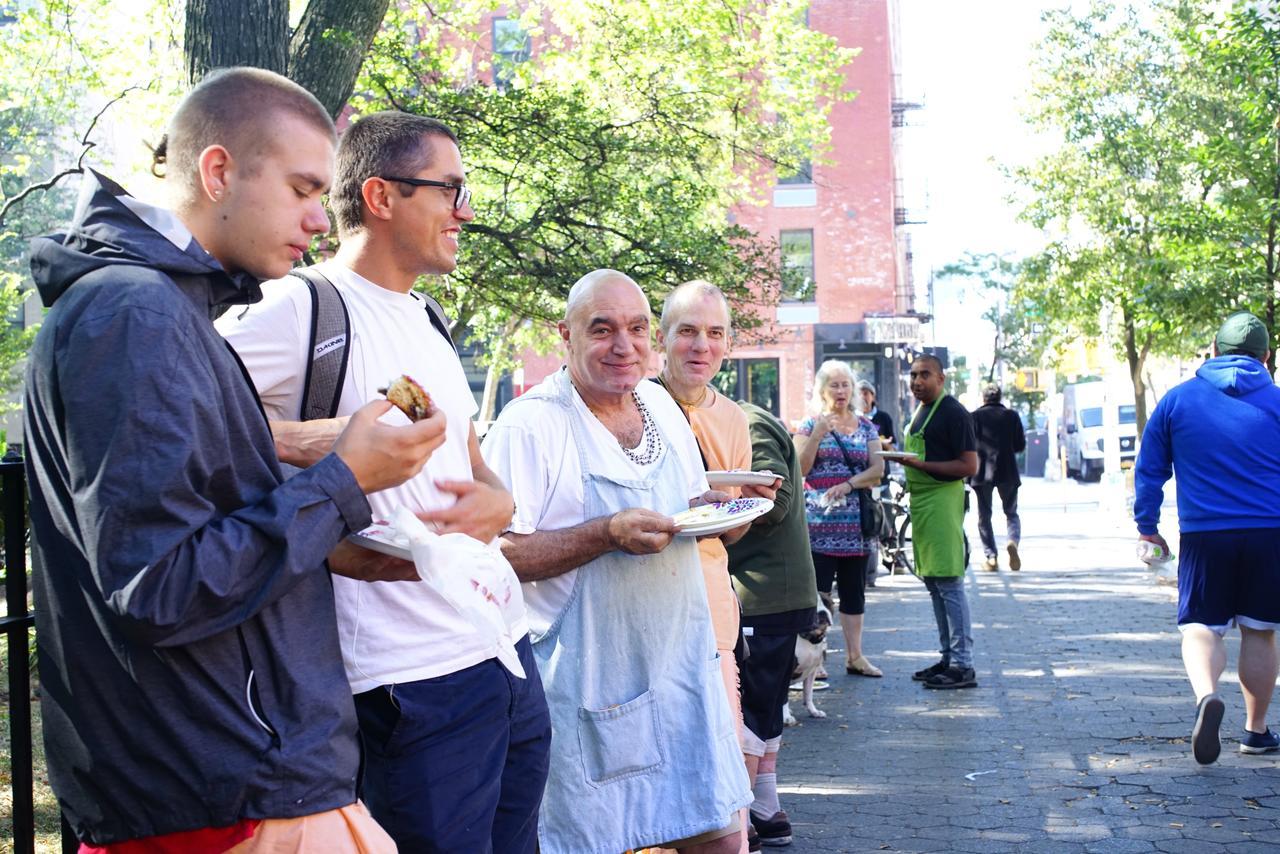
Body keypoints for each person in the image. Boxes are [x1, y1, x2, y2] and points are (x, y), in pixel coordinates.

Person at [24, 68, 448, 851]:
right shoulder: (134, 313)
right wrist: (344, 480)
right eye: (301, 188)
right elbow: (161, 587)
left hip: (242, 784)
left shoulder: (165, 307)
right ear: (219, 170)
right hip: (227, 798)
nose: (321, 219)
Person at [218, 111, 550, 850]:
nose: (465, 211)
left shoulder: (430, 317)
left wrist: (500, 499)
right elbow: (183, 419)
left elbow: (474, 462)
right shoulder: (298, 306)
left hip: (502, 651)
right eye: (450, 190)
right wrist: (303, 440)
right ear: (381, 196)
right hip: (404, 683)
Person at [482, 269, 751, 854]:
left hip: (680, 675)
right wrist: (606, 533)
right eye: (601, 330)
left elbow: (681, 508)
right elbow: (494, 553)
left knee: (722, 843)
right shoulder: (532, 424)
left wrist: (710, 508)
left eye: (635, 329)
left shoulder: (659, 404)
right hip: (586, 690)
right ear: (566, 334)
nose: (623, 346)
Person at [654, 280, 780, 849]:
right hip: (648, 610)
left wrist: (744, 504)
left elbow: (733, 528)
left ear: (728, 345)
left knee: (719, 774)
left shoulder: (733, 418)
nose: (700, 345)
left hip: (712, 610)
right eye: (687, 331)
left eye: (714, 334)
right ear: (663, 338)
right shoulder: (634, 402)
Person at [1133, 311, 1280, 765]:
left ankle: (1206, 698)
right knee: (1259, 632)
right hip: (1268, 534)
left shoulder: (1178, 401)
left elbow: (1149, 469)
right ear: (1267, 357)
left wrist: (1147, 525)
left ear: (1212, 351)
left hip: (1204, 534)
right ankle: (1255, 731)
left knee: (1201, 628)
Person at [726, 402, 820, 850]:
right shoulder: (741, 419)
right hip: (771, 592)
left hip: (761, 593)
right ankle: (766, 806)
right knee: (763, 707)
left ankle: (741, 819)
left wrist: (706, 508)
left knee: (749, 708)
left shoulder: (746, 421)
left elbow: (774, 504)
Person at [796, 360, 885, 678]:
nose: (841, 390)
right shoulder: (809, 425)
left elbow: (877, 470)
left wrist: (848, 484)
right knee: (817, 595)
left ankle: (855, 656)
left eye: (845, 384)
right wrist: (818, 433)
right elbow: (799, 469)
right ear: (822, 390)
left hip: (855, 528)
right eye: (834, 384)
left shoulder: (865, 426)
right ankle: (813, 660)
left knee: (854, 592)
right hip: (818, 526)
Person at [897, 354, 979, 690]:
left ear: (941, 378)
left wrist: (920, 465)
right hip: (922, 502)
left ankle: (963, 664)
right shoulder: (920, 411)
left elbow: (968, 466)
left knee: (949, 583)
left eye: (925, 375)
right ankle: (947, 656)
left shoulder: (954, 412)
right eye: (913, 375)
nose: (917, 381)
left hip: (943, 501)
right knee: (933, 582)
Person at [969, 383, 1026, 572]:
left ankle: (991, 557)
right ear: (1000, 397)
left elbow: (967, 445)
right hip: (1007, 471)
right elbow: (1019, 445)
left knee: (984, 516)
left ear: (983, 398)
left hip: (982, 472)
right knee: (1011, 513)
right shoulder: (1011, 416)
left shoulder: (974, 417)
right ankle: (1013, 541)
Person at [857, 379, 895, 586]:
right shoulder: (853, 418)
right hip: (860, 483)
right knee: (868, 526)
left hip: (879, 479)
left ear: (873, 396)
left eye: (866, 393)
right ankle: (869, 573)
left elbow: (892, 445)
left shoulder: (883, 417)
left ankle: (890, 561)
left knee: (882, 519)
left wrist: (881, 444)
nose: (863, 397)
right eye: (860, 393)